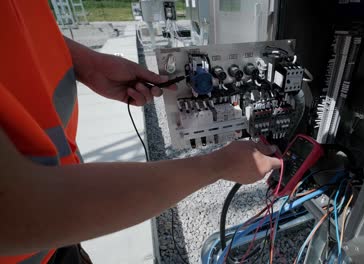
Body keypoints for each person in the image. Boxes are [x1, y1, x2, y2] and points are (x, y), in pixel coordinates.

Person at [0, 1, 281, 263]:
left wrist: (86, 63)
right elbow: (17, 210)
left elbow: (17, 32)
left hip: (56, 232)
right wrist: (218, 165)